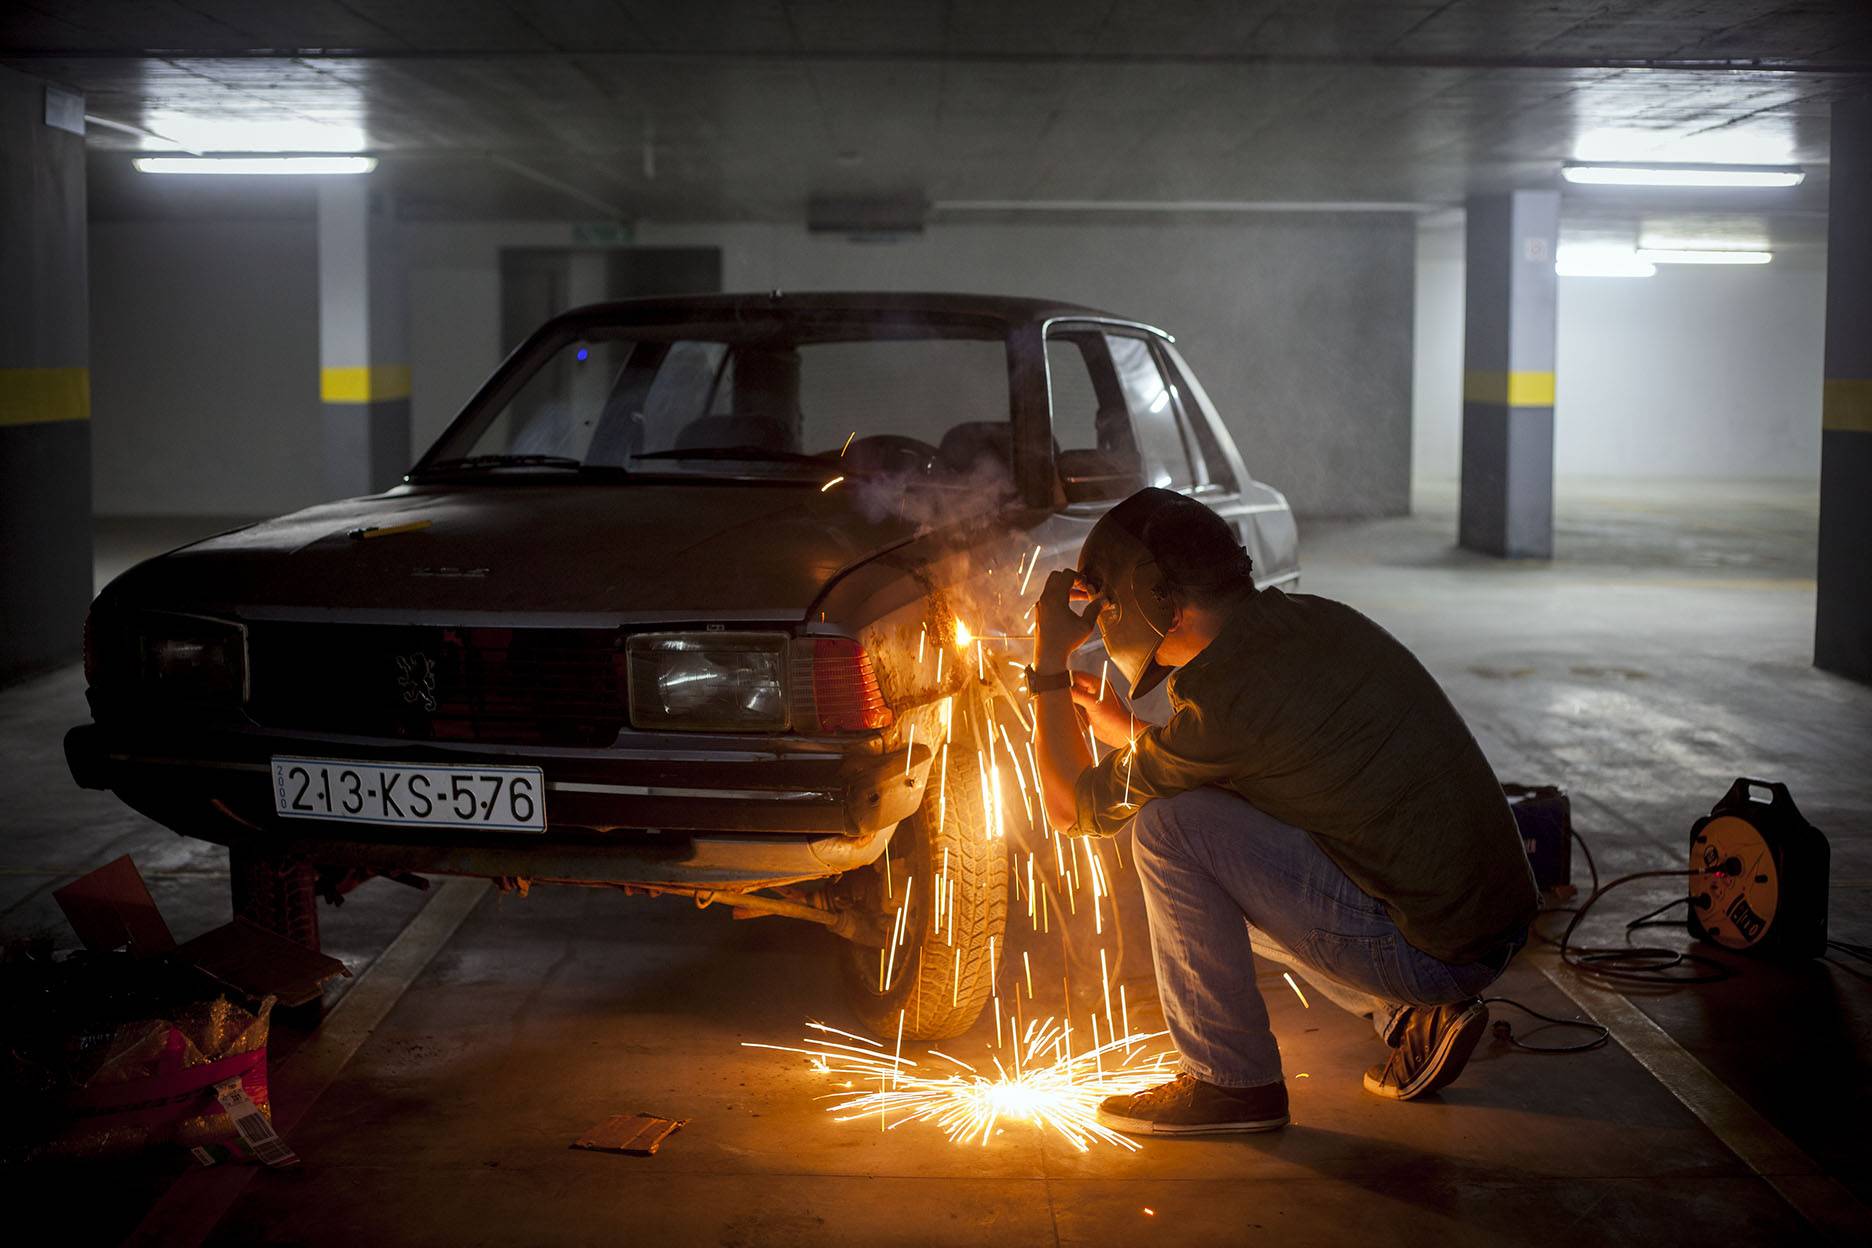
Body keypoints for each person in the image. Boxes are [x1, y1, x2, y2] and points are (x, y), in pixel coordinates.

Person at [1027, 488, 1538, 1135]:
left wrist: (1046, 667)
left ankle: (1231, 1083)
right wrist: (1129, 731)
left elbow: (1070, 811)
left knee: (1168, 830)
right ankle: (1411, 1017)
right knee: (1216, 828)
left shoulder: (1228, 703)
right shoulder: (1308, 623)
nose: (1099, 622)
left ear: (1154, 601)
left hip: (1437, 952)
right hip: (1475, 924)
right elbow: (1239, 762)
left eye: (1104, 605)